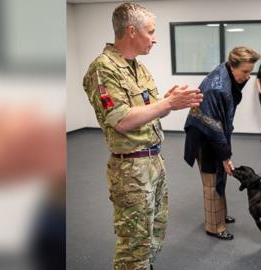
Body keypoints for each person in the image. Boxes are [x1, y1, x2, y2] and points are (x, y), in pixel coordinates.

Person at [82, 3, 203, 270]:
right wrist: (168, 104)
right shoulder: (103, 69)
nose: (155, 38)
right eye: (151, 31)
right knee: (134, 245)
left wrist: (168, 101)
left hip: (153, 163)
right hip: (130, 169)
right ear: (131, 31)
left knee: (153, 235)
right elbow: (122, 120)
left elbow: (150, 113)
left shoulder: (138, 68)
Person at [184, 46, 260, 240]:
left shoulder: (227, 73)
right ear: (232, 66)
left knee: (221, 177)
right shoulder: (217, 87)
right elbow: (214, 127)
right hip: (204, 136)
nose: (247, 76)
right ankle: (214, 226)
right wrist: (226, 156)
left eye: (250, 71)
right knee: (211, 180)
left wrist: (225, 156)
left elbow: (223, 117)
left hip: (214, 132)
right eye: (245, 72)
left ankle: (220, 215)